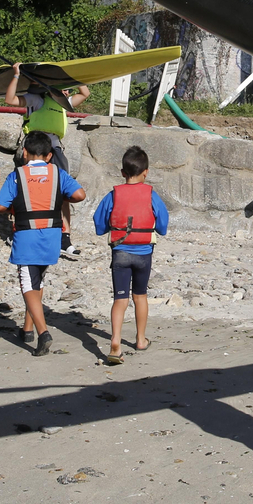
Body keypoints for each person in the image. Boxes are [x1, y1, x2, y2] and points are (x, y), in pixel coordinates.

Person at [0, 132, 85, 356]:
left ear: (24, 153)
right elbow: (80, 195)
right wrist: (59, 199)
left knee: (27, 285)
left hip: (27, 235)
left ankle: (43, 332)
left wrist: (16, 208)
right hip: (52, 235)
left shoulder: (17, 175)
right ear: (48, 156)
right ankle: (27, 329)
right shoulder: (57, 173)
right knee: (38, 279)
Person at [91, 144, 169, 365]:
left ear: (123, 172)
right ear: (146, 172)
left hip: (120, 253)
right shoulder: (151, 195)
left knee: (120, 298)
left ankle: (115, 341)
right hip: (144, 253)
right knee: (140, 296)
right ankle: (141, 339)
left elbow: (99, 223)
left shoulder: (113, 194)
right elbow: (162, 224)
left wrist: (109, 228)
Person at [3, 64, 89, 259]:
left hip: (55, 149)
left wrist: (72, 77)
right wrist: (16, 76)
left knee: (64, 192)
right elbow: (10, 99)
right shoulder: (37, 99)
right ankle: (20, 230)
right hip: (35, 147)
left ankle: (64, 238)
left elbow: (85, 92)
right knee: (28, 190)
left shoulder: (63, 102)